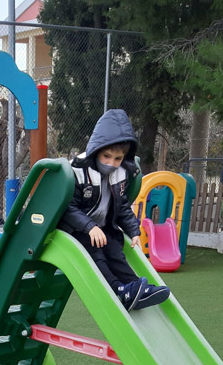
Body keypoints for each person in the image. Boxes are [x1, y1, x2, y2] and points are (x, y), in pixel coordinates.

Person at [59, 109, 170, 311]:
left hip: (102, 228)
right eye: (106, 156)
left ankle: (135, 287)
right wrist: (90, 227)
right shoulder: (77, 171)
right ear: (96, 151)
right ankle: (118, 290)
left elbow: (122, 207)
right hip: (75, 230)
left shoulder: (120, 173)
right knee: (96, 251)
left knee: (115, 251)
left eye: (118, 158)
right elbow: (68, 208)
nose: (111, 163)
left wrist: (133, 230)